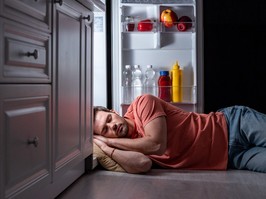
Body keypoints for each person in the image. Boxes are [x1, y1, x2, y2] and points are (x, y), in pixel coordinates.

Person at [93, 94, 266, 174]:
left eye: (109, 119)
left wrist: (110, 142)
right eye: (105, 130)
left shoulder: (142, 103)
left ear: (113, 111)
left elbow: (156, 145)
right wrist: (105, 148)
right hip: (234, 158)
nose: (112, 126)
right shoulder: (129, 148)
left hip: (235, 124)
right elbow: (143, 164)